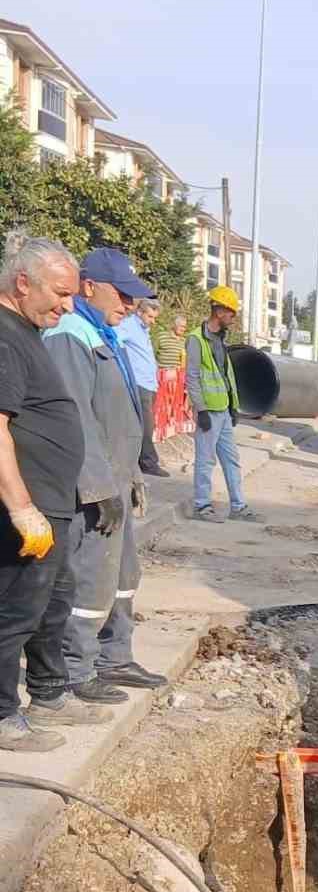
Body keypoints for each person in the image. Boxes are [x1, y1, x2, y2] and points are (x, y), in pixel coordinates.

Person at [45, 248, 168, 703]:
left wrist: (132, 474)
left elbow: (120, 414)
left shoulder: (104, 333)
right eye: (122, 295)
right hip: (92, 488)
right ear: (88, 287)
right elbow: (77, 417)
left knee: (122, 573)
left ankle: (114, 655)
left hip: (117, 477)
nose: (130, 305)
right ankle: (75, 668)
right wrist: (98, 486)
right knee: (90, 577)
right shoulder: (70, 335)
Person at [0, 233, 90, 750]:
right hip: (29, 508)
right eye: (59, 292)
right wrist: (22, 507)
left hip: (53, 502)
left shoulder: (27, 330)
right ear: (22, 282)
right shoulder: (5, 336)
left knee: (51, 602)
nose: (67, 304)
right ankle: (2, 716)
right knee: (14, 612)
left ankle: (49, 693)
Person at [187, 286, 253, 522]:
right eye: (231, 313)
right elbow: (192, 377)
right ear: (218, 310)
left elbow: (226, 376)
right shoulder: (196, 339)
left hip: (223, 409)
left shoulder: (221, 340)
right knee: (205, 460)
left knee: (231, 459)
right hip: (209, 411)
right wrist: (201, 409)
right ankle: (201, 506)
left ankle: (238, 506)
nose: (233, 318)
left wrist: (233, 405)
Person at [118, 295, 167, 477]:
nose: (152, 321)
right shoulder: (129, 325)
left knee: (145, 424)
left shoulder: (143, 330)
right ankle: (148, 462)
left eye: (155, 318)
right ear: (140, 312)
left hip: (148, 383)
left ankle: (139, 460)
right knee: (146, 425)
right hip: (138, 383)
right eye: (150, 317)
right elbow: (114, 340)